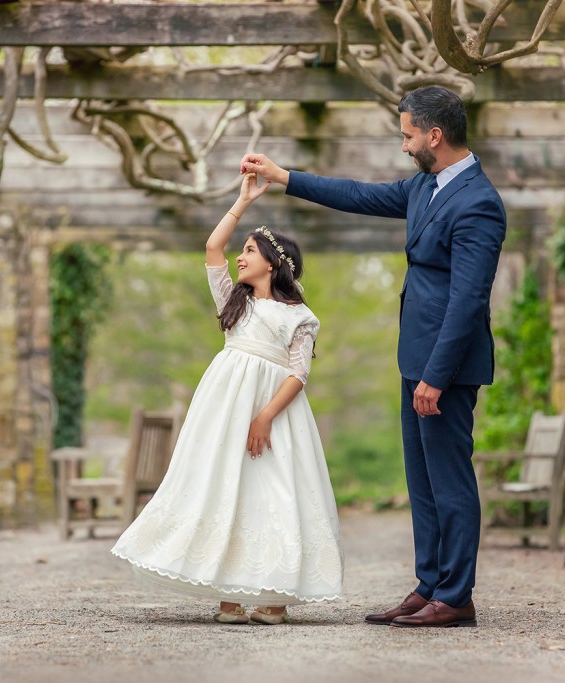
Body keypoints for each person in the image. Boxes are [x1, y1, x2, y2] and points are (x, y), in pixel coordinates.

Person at [241, 85, 505, 628]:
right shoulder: (426, 186)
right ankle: (429, 583)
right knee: (422, 481)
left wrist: (436, 376)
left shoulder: (478, 202)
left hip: (444, 367)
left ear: (435, 135)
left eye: (409, 135)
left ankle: (456, 596)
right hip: (417, 361)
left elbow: (468, 301)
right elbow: (358, 195)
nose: (404, 145)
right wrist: (284, 177)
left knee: (450, 479)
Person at [111, 172, 344, 626]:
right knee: (224, 486)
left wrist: (266, 417)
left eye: (251, 251)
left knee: (275, 492)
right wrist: (240, 202)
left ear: (274, 264)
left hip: (275, 411)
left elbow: (298, 373)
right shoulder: (234, 301)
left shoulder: (299, 315)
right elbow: (212, 249)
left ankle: (275, 593)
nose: (240, 257)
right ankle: (228, 592)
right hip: (223, 410)